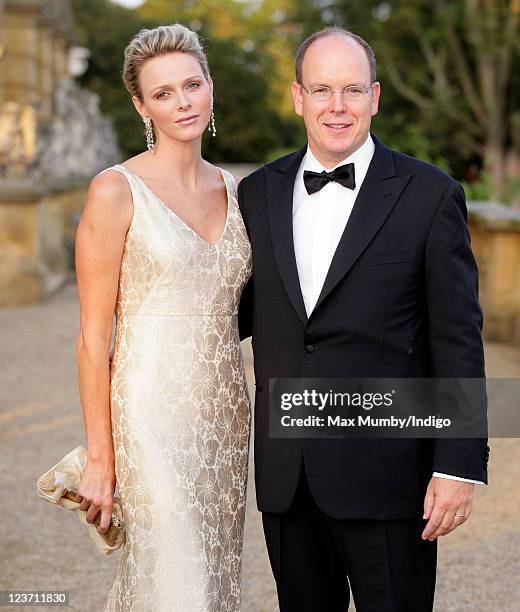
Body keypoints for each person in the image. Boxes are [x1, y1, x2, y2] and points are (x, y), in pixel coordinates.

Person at [237, 27, 489, 612]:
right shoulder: (256, 194)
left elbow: (457, 338)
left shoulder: (430, 195)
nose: (337, 106)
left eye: (352, 90)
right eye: (322, 89)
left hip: (390, 476)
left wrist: (457, 465)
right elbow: (232, 312)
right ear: (297, 97)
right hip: (289, 474)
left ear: (375, 97)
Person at [75, 24, 252, 612]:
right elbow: (92, 339)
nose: (183, 103)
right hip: (149, 417)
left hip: (226, 416)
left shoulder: (234, 189)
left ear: (210, 87)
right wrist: (101, 458)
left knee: (215, 579)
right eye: (163, 93)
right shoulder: (114, 190)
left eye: (191, 85)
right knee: (178, 584)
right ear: (141, 105)